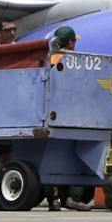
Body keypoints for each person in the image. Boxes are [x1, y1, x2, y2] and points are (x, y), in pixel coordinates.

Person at [45, 26, 91, 212]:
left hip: (51, 114)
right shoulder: (71, 60)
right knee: (79, 156)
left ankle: (53, 200)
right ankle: (73, 197)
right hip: (70, 115)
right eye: (75, 42)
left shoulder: (49, 59)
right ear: (70, 43)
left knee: (50, 159)